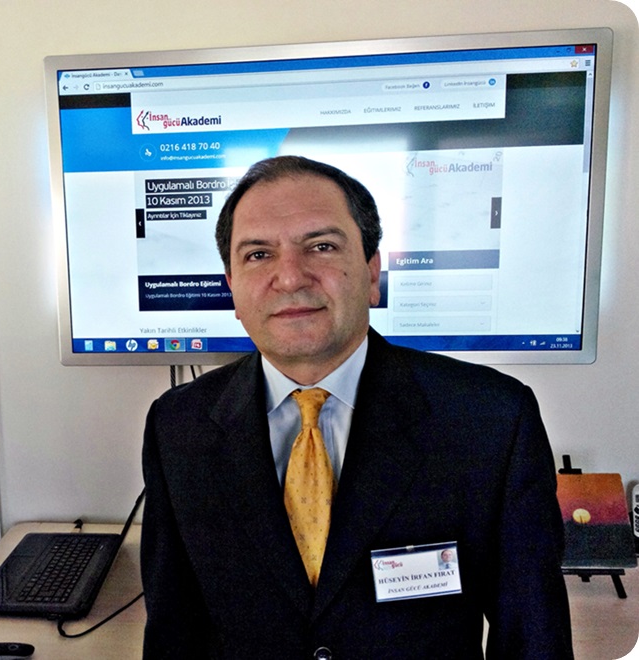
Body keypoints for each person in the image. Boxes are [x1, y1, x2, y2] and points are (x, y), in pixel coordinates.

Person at [140, 155, 573, 659]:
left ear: (372, 272)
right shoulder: (178, 428)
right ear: (233, 287)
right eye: (258, 254)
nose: (290, 277)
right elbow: (173, 631)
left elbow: (533, 639)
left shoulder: (491, 421)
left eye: (321, 246)